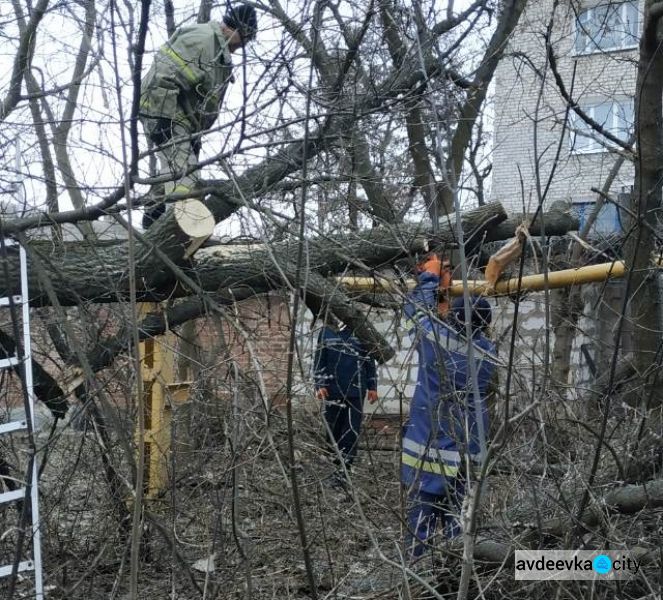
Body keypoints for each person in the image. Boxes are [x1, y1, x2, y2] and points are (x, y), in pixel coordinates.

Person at [401, 254, 497, 559]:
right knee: (459, 527)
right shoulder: (486, 354)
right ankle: (456, 577)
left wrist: (428, 278)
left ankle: (418, 576)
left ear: (454, 319)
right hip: (468, 453)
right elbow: (447, 329)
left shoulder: (437, 342)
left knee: (421, 527)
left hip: (430, 451)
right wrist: (445, 297)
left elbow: (413, 313)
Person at [139, 4, 258, 227]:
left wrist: (195, 136)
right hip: (166, 109)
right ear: (235, 29)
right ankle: (177, 230)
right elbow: (165, 74)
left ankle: (155, 207)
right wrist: (163, 118)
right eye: (245, 39)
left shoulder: (219, 51)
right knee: (185, 175)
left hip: (183, 117)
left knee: (180, 163)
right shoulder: (203, 40)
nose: (243, 46)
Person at [314, 319, 379, 484]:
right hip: (332, 390)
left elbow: (369, 361)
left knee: (351, 430)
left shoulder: (360, 330)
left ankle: (344, 471)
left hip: (355, 391)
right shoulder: (326, 332)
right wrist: (319, 384)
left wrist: (372, 386)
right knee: (333, 428)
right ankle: (334, 464)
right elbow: (320, 360)